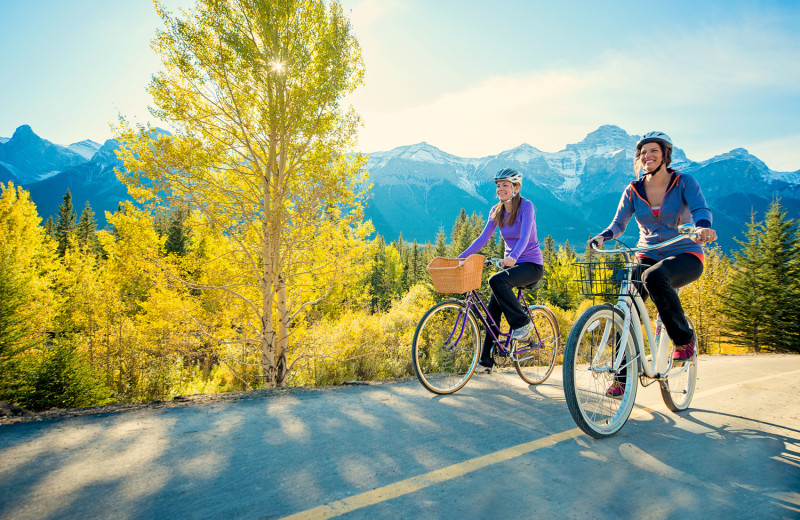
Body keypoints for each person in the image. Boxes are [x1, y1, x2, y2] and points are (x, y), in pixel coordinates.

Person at [588, 131, 717, 397]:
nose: (647, 156)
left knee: (654, 277)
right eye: (643, 152)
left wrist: (704, 228)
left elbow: (700, 209)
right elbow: (619, 224)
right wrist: (603, 236)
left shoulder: (684, 182)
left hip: (685, 254)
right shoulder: (633, 189)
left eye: (653, 151)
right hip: (647, 252)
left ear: (665, 155)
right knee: (627, 303)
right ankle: (623, 378)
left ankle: (684, 339)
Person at [458, 168, 544, 374]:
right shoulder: (496, 211)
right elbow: (482, 239)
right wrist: (460, 257)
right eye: (498, 185)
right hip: (511, 265)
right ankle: (487, 362)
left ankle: (522, 323)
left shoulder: (526, 207)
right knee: (492, 312)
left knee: (496, 281)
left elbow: (525, 237)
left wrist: (513, 257)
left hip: (531, 265)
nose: (500, 189)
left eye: (505, 185)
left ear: (516, 187)